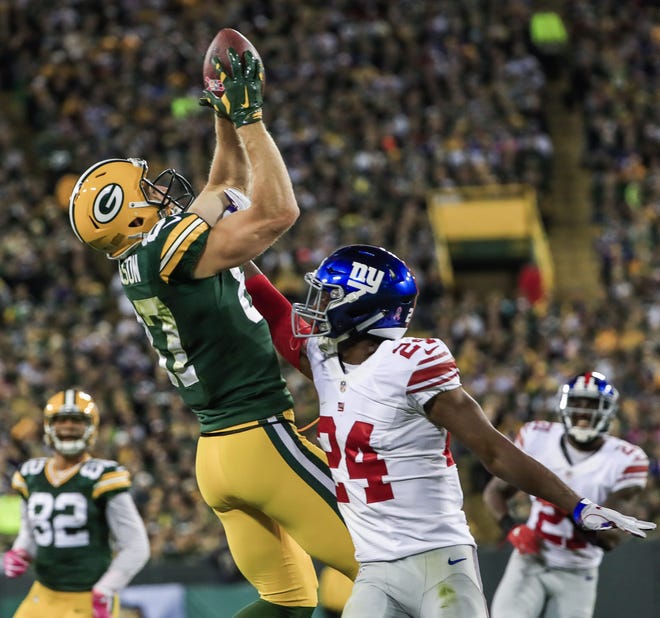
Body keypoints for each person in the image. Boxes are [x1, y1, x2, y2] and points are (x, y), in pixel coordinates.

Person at [68, 46, 357, 617]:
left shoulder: (145, 260)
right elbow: (276, 213)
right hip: (260, 438)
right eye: (144, 191)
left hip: (216, 455)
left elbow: (224, 181)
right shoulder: (165, 251)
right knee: (390, 560)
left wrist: (222, 114)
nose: (159, 192)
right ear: (124, 213)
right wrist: (250, 119)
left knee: (288, 600)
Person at [242, 244, 656, 618]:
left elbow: (493, 450)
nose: (317, 305)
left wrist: (577, 506)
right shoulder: (325, 361)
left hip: (439, 564)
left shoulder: (409, 363)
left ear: (362, 307)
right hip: (373, 569)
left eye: (330, 295)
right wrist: (230, 247)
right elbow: (274, 309)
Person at [483, 371, 651, 618]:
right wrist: (512, 528)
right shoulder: (537, 436)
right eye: (578, 403)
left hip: (577, 570)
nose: (583, 411)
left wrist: (561, 501)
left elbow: (609, 539)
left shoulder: (627, 459)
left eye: (592, 404)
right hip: (530, 560)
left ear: (607, 410)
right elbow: (494, 492)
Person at [2, 389, 150, 618]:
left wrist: (106, 589)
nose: (68, 426)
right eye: (61, 419)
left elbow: (137, 545)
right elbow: (30, 532)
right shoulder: (30, 474)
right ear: (49, 425)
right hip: (43, 592)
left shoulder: (104, 476)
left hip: (87, 597)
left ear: (91, 426)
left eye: (77, 420)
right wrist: (20, 552)